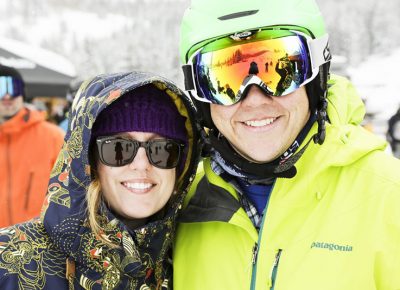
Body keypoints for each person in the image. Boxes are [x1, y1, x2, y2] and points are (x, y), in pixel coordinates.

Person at [173, 0, 400, 289]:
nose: (254, 98)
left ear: (316, 79)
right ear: (202, 100)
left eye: (280, 71)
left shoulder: (389, 198)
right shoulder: (177, 205)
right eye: (224, 80)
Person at [0, 71, 200, 289]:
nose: (142, 164)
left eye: (162, 149)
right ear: (89, 160)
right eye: (118, 148)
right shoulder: (10, 263)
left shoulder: (194, 262)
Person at [0, 65, 65, 227]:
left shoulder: (53, 137)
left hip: (36, 244)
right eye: (1, 88)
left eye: (13, 88)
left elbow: (73, 191)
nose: (7, 96)